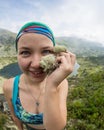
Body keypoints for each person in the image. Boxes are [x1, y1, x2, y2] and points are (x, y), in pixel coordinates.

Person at [3, 21, 76, 130]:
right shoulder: (9, 86)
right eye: (25, 52)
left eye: (46, 51)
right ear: (17, 56)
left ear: (56, 54)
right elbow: (15, 116)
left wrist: (51, 85)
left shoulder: (61, 84)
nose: (37, 64)